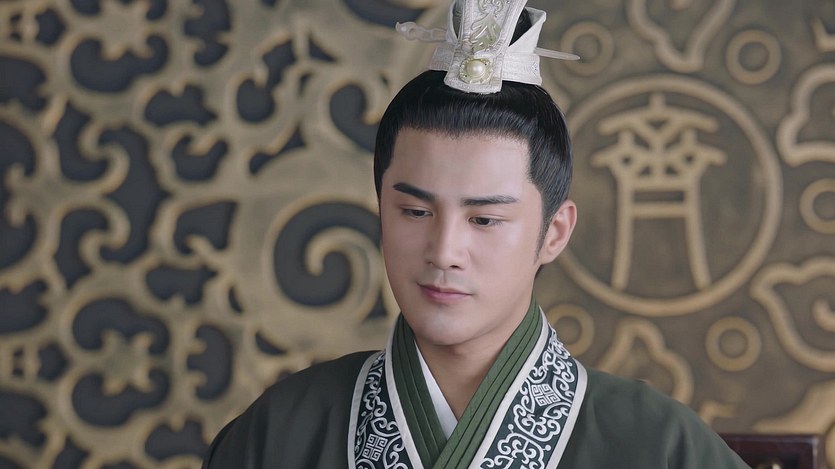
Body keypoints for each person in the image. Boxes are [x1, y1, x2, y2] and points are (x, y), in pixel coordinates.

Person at [203, 1, 750, 467]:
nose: (444, 252)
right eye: (414, 211)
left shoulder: (659, 446)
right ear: (380, 209)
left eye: (485, 219)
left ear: (554, 232)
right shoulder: (282, 432)